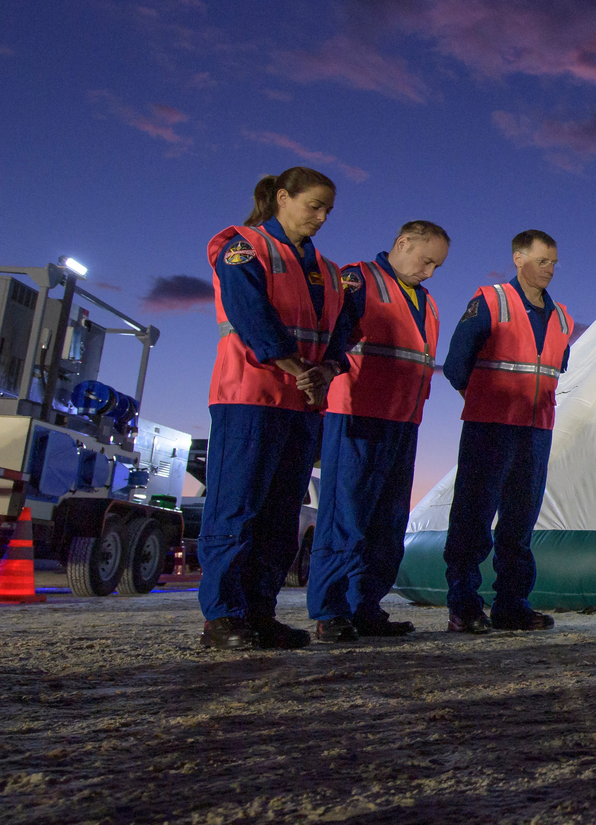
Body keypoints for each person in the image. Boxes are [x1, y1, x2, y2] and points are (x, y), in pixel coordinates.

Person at [198, 167, 349, 651]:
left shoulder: (325, 270)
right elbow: (251, 314)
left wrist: (325, 370)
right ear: (283, 198)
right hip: (250, 397)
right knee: (236, 508)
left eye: (328, 209)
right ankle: (223, 617)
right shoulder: (243, 246)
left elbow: (341, 332)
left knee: (282, 515)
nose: (322, 216)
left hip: (301, 402)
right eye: (314, 205)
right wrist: (296, 367)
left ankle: (260, 614)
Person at [307, 221, 450, 641]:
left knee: (387, 522)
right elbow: (335, 342)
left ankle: (365, 606)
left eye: (437, 266)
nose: (430, 272)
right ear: (402, 243)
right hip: (357, 416)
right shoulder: (357, 281)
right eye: (426, 261)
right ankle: (330, 610)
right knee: (345, 516)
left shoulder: (426, 301)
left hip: (403, 421)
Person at [442, 230, 574, 634]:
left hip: (536, 431)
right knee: (473, 516)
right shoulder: (490, 301)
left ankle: (511, 605)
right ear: (518, 258)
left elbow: (552, 371)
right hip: (490, 428)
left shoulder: (562, 317)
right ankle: (464, 606)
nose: (549, 269)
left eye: (553, 262)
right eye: (541, 260)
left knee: (520, 522)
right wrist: (483, 401)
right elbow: (455, 365)